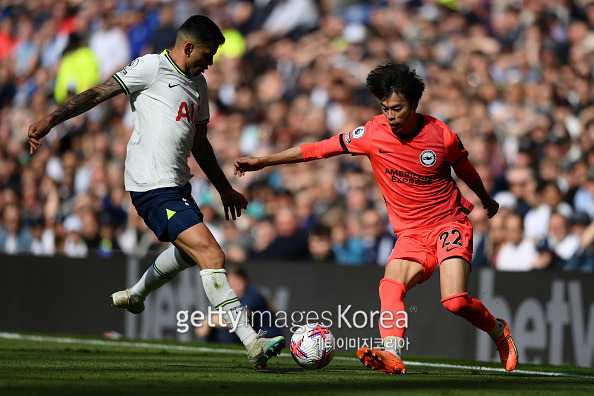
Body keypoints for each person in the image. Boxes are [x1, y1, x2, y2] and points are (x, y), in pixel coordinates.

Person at [27, 15, 284, 370]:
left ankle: (136, 295)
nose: (211, 63)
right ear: (188, 47)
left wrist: (224, 188)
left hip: (177, 184)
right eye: (207, 55)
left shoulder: (200, 85)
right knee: (212, 254)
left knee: (192, 254)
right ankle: (252, 341)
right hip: (151, 185)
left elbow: (200, 142)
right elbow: (98, 93)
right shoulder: (151, 67)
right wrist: (51, 121)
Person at [234, 63, 518, 374]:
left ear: (414, 103)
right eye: (385, 108)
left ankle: (498, 330)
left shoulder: (442, 136)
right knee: (390, 286)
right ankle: (392, 354)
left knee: (455, 302)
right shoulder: (372, 133)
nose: (391, 115)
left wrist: (486, 199)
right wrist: (264, 160)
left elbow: (465, 168)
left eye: (397, 108)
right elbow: (318, 149)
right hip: (410, 234)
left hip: (449, 223)